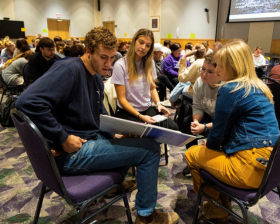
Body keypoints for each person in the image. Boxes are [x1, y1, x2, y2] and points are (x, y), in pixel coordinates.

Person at [16, 27, 179, 224]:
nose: (109, 64)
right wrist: (62, 138)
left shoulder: (95, 78)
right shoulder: (69, 69)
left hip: (87, 139)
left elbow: (98, 117)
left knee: (135, 138)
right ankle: (147, 217)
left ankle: (113, 185)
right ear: (88, 51)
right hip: (69, 152)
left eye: (112, 57)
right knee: (151, 150)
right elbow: (26, 102)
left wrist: (115, 133)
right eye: (103, 57)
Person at [185, 40, 280, 223]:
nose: (218, 70)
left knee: (192, 154)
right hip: (273, 166)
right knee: (210, 151)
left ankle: (216, 209)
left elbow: (218, 135)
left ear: (233, 66)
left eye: (220, 65)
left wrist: (211, 145)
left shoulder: (231, 89)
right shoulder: (260, 86)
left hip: (250, 167)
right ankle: (222, 204)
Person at [112, 29, 178, 131]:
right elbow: (122, 99)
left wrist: (158, 104)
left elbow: (152, 88)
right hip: (128, 111)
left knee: (173, 128)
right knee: (146, 133)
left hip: (146, 109)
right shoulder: (120, 65)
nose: (143, 47)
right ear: (134, 41)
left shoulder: (149, 62)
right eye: (141, 42)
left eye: (148, 45)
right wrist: (140, 117)